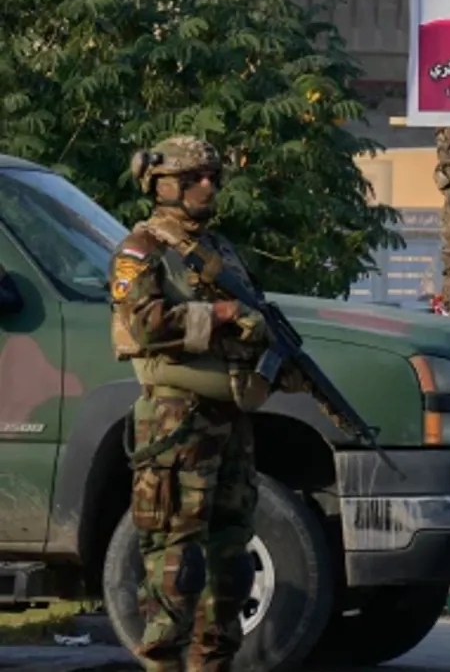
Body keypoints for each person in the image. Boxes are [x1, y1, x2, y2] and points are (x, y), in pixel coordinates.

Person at [110, 136, 299, 671]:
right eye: (193, 178)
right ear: (161, 184)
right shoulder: (141, 251)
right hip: (176, 422)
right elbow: (145, 326)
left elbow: (251, 318)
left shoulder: (222, 251)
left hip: (230, 420)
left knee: (232, 562)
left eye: (213, 176)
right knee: (177, 560)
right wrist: (220, 315)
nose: (207, 186)